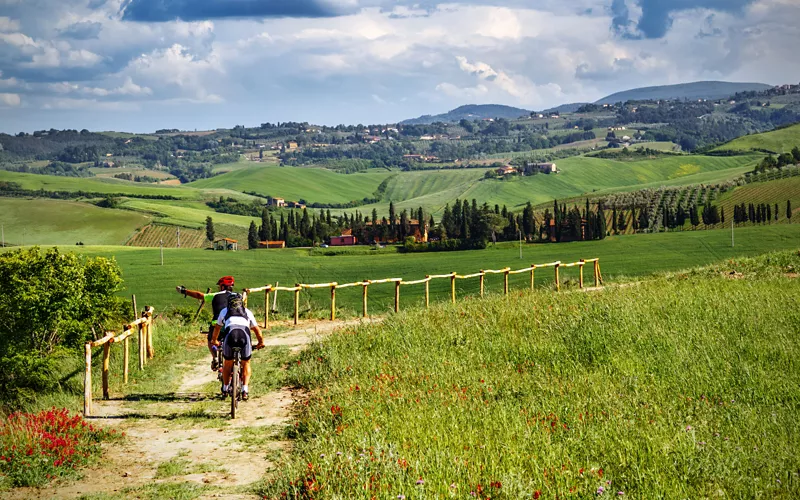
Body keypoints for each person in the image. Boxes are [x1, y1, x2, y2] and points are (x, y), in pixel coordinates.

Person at [211, 293, 265, 401]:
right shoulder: (247, 312)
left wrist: (214, 340)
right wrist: (261, 342)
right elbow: (257, 330)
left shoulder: (224, 311)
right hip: (244, 336)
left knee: (227, 363)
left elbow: (217, 328)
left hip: (230, 335)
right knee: (246, 363)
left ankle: (225, 388)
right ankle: (245, 390)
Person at [177, 276, 236, 370]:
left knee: (211, 340)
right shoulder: (237, 296)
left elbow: (199, 295)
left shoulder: (216, 295)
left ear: (222, 286)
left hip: (217, 323)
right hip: (233, 323)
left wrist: (185, 291)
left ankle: (215, 357)